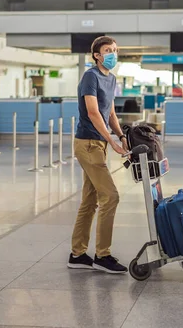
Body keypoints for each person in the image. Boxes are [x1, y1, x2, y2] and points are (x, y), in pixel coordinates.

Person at [67, 36, 129, 274]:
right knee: (111, 197)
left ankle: (77, 254)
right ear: (96, 55)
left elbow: (109, 113)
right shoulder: (90, 77)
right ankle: (103, 256)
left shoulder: (111, 79)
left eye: (114, 49)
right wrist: (110, 140)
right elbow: (93, 113)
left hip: (99, 145)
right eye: (107, 50)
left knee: (90, 200)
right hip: (88, 145)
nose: (112, 53)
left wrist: (121, 135)